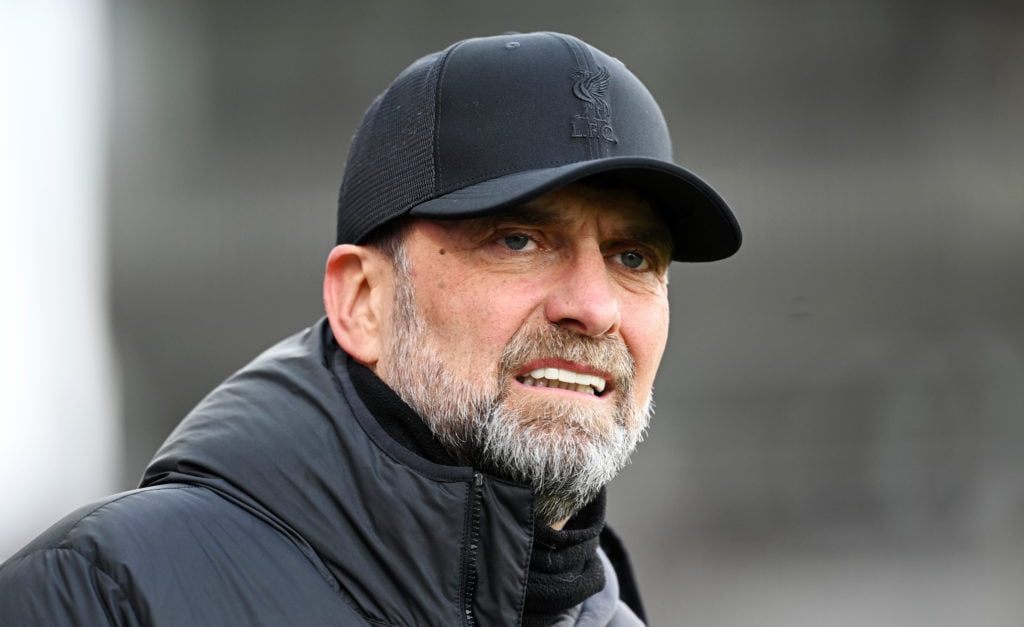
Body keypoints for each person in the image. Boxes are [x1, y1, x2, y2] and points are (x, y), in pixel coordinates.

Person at [0, 31, 740, 626]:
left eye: (634, 257)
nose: (596, 306)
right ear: (362, 301)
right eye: (519, 239)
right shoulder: (107, 595)